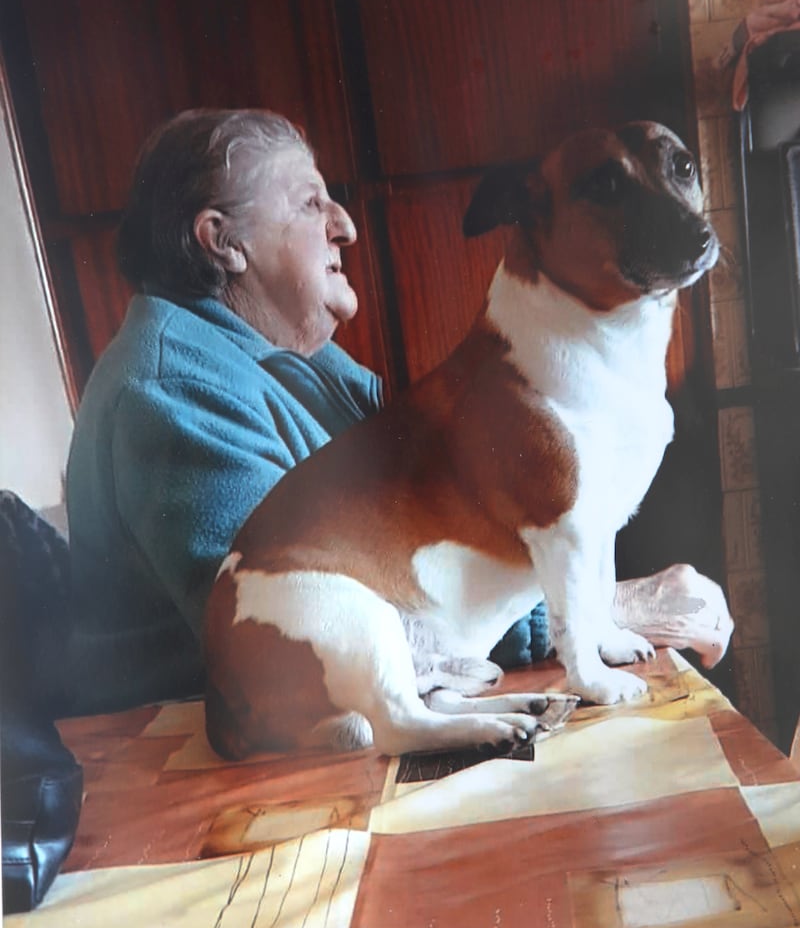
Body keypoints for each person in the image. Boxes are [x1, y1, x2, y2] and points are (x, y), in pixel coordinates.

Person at [65, 109, 733, 715]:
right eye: (310, 203)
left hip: (373, 704)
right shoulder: (169, 389)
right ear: (223, 241)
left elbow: (444, 513)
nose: (345, 225)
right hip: (189, 754)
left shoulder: (306, 363)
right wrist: (614, 608)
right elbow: (283, 622)